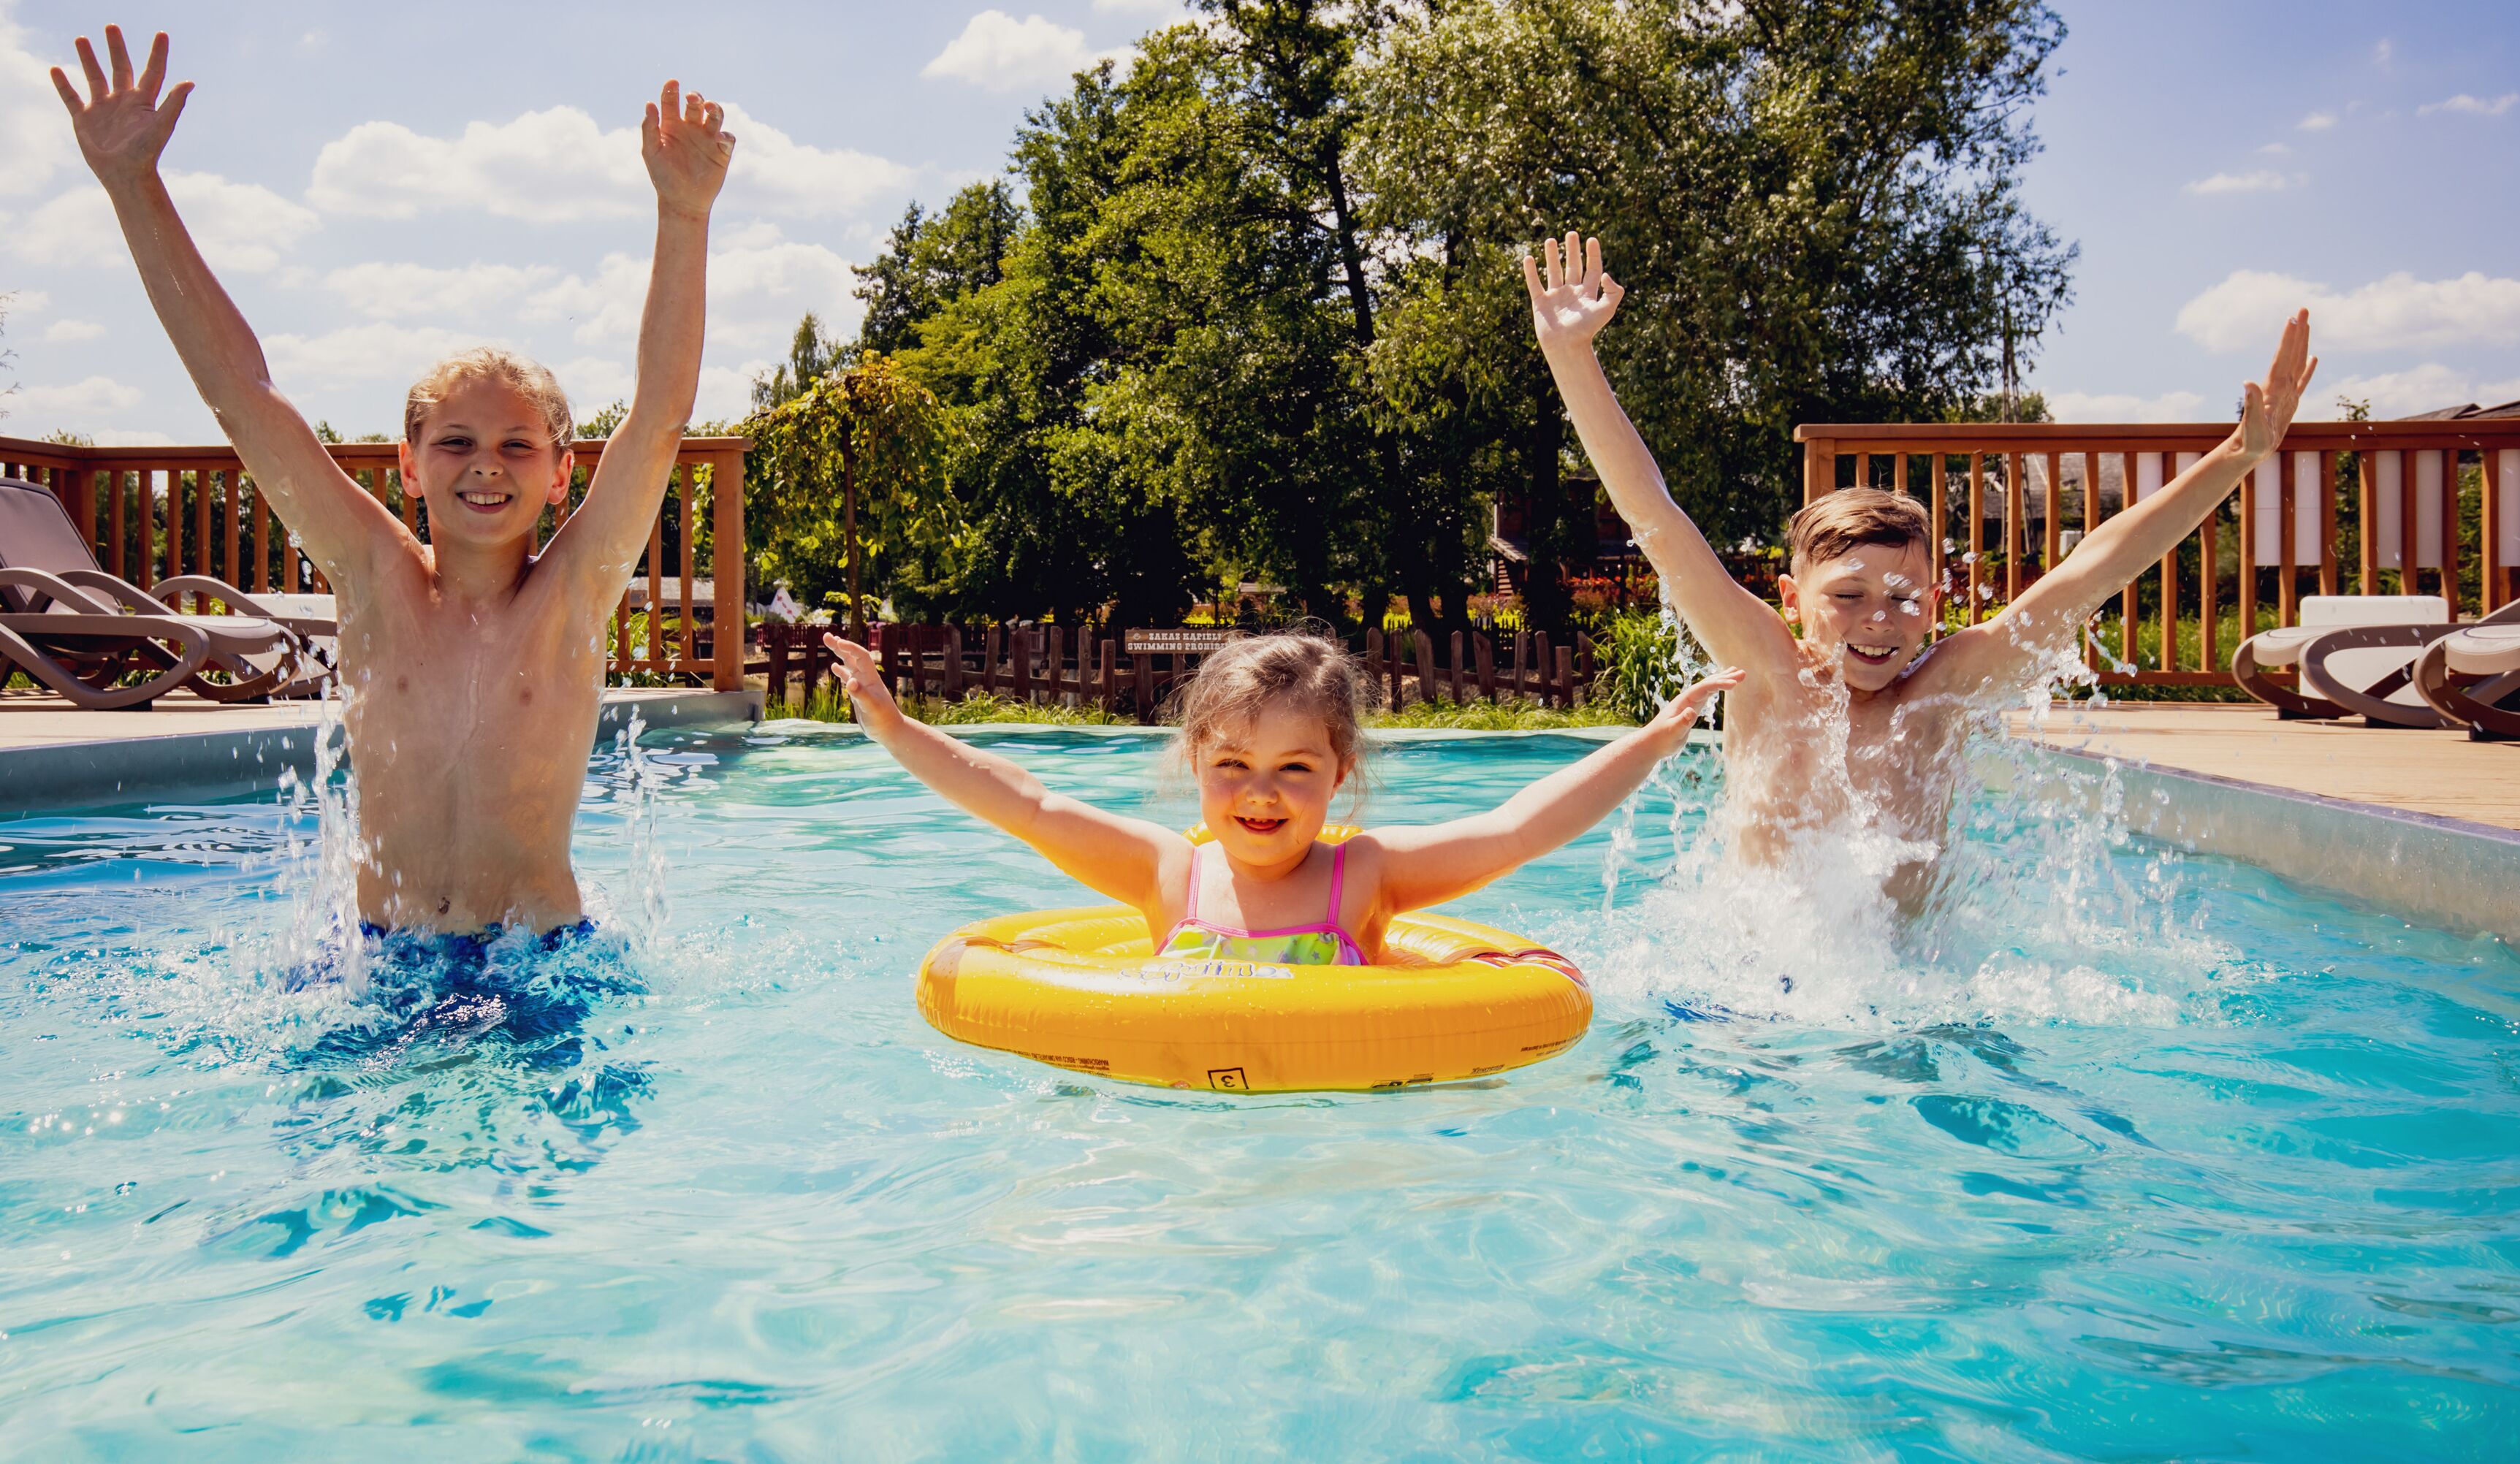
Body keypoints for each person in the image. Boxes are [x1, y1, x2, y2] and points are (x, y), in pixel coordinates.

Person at [53, 27, 735, 935]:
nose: (486, 463)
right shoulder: (374, 577)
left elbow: (656, 420)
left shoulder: (573, 595)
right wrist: (134, 187)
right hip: (380, 958)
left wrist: (683, 218)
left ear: (565, 474)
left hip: (537, 962)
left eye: (517, 446)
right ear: (409, 467)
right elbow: (242, 397)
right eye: (455, 441)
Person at [1523, 232, 2317, 905]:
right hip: (1755, 999)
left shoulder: (1941, 689)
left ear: (1936, 602)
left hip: (1900, 995)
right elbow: (1654, 517)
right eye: (1848, 596)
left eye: (1903, 598)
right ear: (1792, 598)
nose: (1878, 618)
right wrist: (1570, 357)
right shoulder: (1764, 670)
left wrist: (2235, 456)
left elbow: (2094, 569)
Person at [822, 628, 1745, 963]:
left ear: (1338, 777)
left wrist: (1654, 739)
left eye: (1294, 770)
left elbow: (1515, 828)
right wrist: (898, 729)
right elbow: (1020, 802)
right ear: (1195, 767)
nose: (1259, 794)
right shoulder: (1164, 872)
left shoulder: (1368, 877)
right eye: (1231, 766)